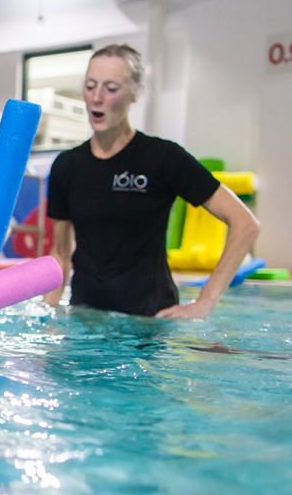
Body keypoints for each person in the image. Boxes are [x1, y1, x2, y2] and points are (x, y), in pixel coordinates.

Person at [43, 43, 260, 319]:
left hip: (149, 321)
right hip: (86, 317)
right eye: (90, 86)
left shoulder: (163, 158)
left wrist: (205, 302)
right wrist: (47, 314)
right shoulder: (67, 166)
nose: (96, 97)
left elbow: (246, 224)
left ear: (134, 93)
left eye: (110, 89)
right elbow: (60, 253)